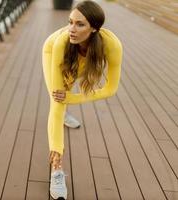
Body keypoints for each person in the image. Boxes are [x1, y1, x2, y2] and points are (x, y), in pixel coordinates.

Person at [42, 0, 123, 199]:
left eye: (80, 24)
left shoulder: (112, 45)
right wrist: (56, 148)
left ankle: (66, 110)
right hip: (52, 51)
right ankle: (57, 169)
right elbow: (58, 98)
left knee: (66, 95)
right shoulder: (63, 40)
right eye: (70, 22)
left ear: (94, 28)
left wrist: (73, 98)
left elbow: (111, 89)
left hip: (87, 53)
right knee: (58, 100)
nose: (71, 29)